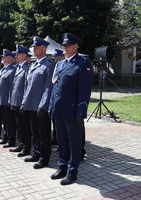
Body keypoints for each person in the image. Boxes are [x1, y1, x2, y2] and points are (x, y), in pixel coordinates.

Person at [49, 33, 93, 185]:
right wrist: (51, 106)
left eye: (68, 45)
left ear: (76, 46)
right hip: (59, 110)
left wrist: (81, 112)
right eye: (63, 45)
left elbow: (85, 90)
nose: (65, 48)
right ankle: (62, 167)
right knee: (61, 141)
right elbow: (55, 87)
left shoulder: (83, 63)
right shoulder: (60, 64)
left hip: (73, 111)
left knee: (74, 142)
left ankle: (72, 171)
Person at [21, 36, 54, 169]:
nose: (34, 49)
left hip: (41, 107)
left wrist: (43, 106)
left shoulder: (49, 65)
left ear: (44, 49)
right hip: (31, 105)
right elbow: (28, 86)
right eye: (33, 47)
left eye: (37, 47)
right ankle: (36, 152)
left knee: (44, 133)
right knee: (35, 131)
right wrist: (24, 102)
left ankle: (44, 158)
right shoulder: (33, 65)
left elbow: (48, 87)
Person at [9, 45, 32, 157]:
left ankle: (26, 148)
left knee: (25, 126)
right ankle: (20, 144)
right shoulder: (18, 67)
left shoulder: (27, 67)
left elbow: (27, 87)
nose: (16, 56)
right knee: (18, 125)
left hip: (22, 102)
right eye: (16, 55)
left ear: (24, 55)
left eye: (18, 54)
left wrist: (24, 102)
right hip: (15, 101)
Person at [0, 49, 16, 148]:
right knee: (5, 121)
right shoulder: (3, 69)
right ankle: (6, 137)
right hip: (1, 100)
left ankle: (11, 140)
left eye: (4, 57)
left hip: (7, 100)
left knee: (9, 121)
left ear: (10, 58)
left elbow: (12, 87)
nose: (2, 58)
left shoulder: (12, 70)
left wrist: (10, 100)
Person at [51, 49, 65, 146]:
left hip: (63, 100)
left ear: (61, 56)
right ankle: (55, 138)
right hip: (54, 98)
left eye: (56, 56)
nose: (54, 58)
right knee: (55, 121)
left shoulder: (63, 65)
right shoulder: (55, 65)